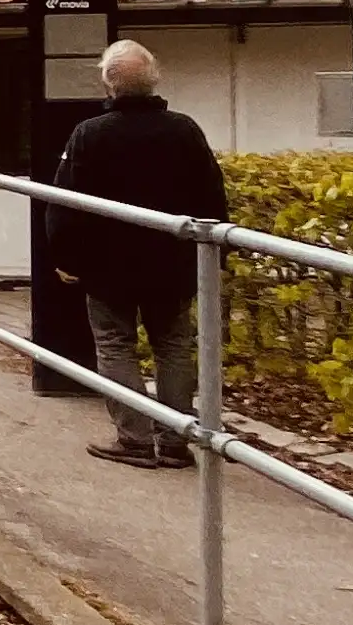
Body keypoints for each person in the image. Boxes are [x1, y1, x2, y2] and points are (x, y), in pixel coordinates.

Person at [50, 38, 228, 469]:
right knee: (173, 346)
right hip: (173, 263)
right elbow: (212, 196)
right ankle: (174, 440)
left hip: (109, 265)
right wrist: (214, 258)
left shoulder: (89, 134)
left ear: (109, 84)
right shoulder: (184, 129)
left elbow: (65, 200)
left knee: (115, 345)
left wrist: (65, 256)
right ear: (154, 81)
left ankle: (133, 438)